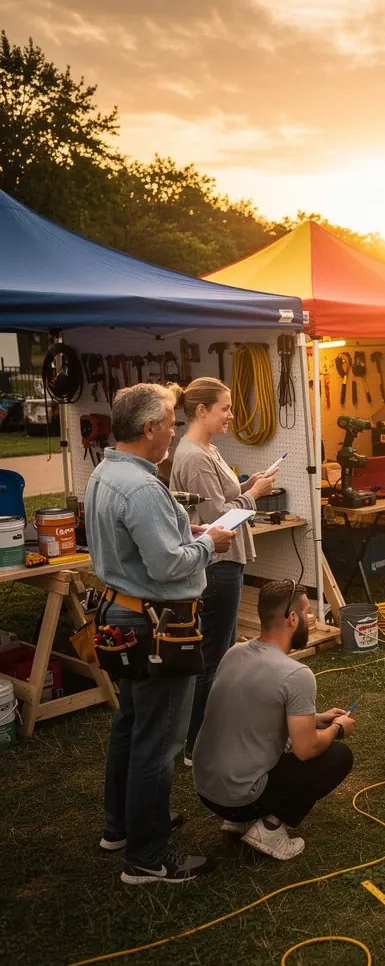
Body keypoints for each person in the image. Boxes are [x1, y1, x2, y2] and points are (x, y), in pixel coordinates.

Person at [86, 383, 236, 884]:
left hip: (122, 616)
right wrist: (209, 543)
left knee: (132, 725)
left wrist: (183, 535)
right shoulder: (144, 487)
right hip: (155, 627)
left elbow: (145, 546)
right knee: (162, 742)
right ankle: (147, 858)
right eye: (170, 422)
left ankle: (122, 826)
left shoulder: (106, 473)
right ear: (149, 428)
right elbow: (170, 566)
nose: (174, 430)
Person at [192, 581, 354, 861]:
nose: (310, 618)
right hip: (240, 797)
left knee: (290, 745)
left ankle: (241, 821)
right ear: (292, 619)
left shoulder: (234, 652)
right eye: (307, 613)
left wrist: (317, 719)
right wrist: (337, 729)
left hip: (207, 791)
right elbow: (306, 750)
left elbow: (257, 709)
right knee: (338, 756)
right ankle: (269, 827)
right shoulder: (296, 674)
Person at [170, 377, 279, 766]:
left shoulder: (206, 449)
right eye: (226, 408)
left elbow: (221, 499)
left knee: (221, 653)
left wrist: (249, 484)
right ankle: (194, 745)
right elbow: (220, 518)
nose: (232, 415)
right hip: (216, 564)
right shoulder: (195, 456)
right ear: (202, 411)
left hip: (223, 562)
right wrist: (256, 494)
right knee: (213, 658)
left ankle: (207, 735)